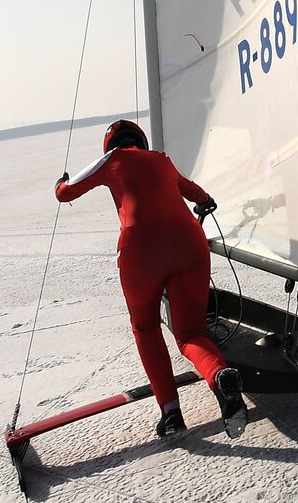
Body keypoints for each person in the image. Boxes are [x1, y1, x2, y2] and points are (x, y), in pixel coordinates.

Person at [55, 119, 248, 439]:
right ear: (142, 141)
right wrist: (203, 201)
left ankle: (171, 413)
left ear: (111, 145)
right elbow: (197, 193)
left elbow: (65, 193)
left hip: (141, 252)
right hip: (190, 244)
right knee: (190, 335)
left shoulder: (112, 159)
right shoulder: (163, 160)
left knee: (145, 327)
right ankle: (219, 375)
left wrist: (59, 183)